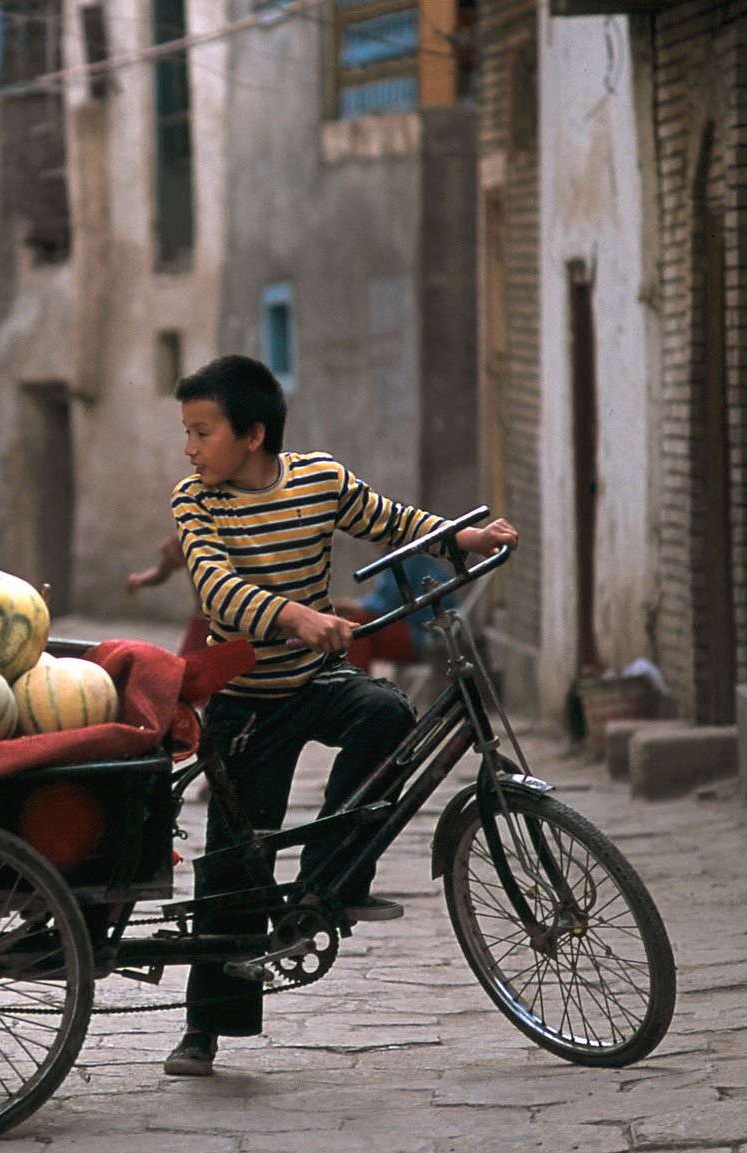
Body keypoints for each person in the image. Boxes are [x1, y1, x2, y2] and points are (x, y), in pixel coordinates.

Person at [161, 355, 518, 1078]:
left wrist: (464, 538)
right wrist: (296, 616)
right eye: (188, 433)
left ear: (253, 433)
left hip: (316, 680)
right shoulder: (197, 502)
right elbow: (217, 592)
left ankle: (325, 887)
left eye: (202, 432)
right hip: (247, 700)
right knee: (233, 860)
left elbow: (390, 521)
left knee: (387, 712)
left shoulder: (321, 479)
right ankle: (205, 1029)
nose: (191, 448)